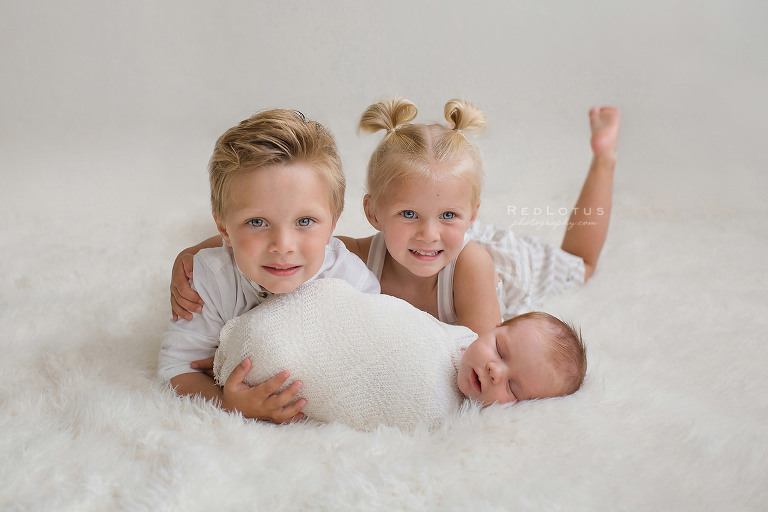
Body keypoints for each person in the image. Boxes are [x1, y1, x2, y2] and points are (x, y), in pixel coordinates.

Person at [171, 98, 618, 354]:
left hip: (500, 262)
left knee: (582, 264)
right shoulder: (358, 255)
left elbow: (478, 352)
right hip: (452, 237)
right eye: (408, 215)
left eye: (446, 214)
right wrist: (189, 257)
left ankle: (603, 159)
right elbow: (259, 243)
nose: (427, 234)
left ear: (472, 215)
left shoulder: (473, 266)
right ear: (372, 213)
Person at [157, 109, 380, 424]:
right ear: (223, 228)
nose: (282, 244)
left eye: (305, 221)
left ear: (333, 223)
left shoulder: (350, 280)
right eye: (257, 222)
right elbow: (175, 369)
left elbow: (373, 353)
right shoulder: (210, 280)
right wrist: (227, 403)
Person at [213, 278, 586, 431]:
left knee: (275, 352)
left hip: (276, 359)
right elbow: (382, 319)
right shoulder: (455, 334)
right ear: (493, 328)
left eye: (514, 389)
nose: (493, 371)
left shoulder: (447, 421)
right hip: (304, 313)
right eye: (500, 349)